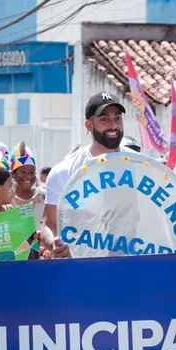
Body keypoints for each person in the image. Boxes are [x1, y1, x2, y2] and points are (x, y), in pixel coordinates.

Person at [43, 91, 125, 240]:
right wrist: (54, 242)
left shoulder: (139, 166)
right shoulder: (64, 172)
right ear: (89, 125)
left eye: (117, 118)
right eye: (104, 120)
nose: (113, 126)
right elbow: (50, 224)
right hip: (82, 261)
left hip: (132, 259)